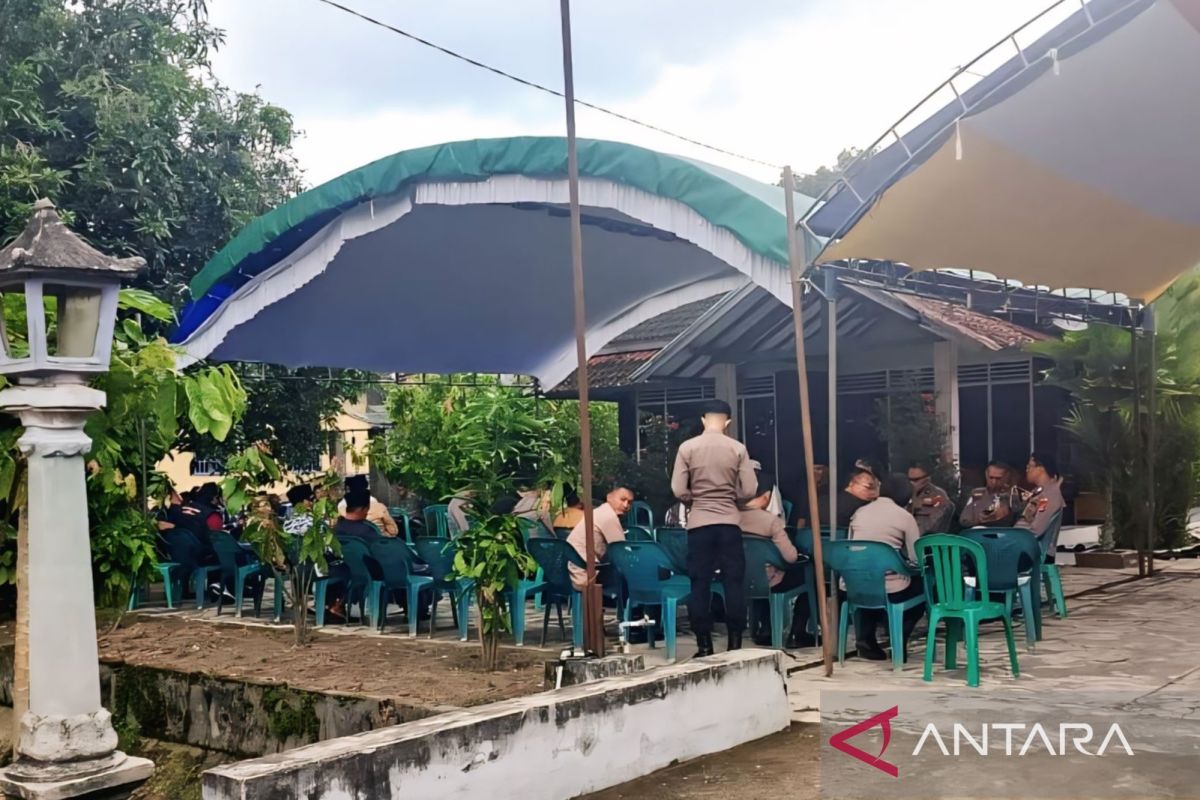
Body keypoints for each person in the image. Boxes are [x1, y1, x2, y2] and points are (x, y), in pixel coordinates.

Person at [671, 399, 758, 656]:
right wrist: (734, 498)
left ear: (702, 419)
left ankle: (704, 645)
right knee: (733, 582)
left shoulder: (687, 448)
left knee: (700, 583)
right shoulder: (738, 448)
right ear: (727, 421)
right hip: (729, 523)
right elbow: (750, 489)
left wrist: (694, 498)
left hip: (699, 524)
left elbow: (677, 489)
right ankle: (734, 644)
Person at [847, 473, 925, 661]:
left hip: (856, 584)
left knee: (871, 580)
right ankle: (899, 641)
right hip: (890, 588)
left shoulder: (859, 513)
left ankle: (866, 638)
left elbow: (851, 546)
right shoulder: (904, 517)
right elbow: (916, 559)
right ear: (906, 497)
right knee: (921, 592)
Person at [739, 472, 815, 649]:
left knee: (758, 572)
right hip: (770, 581)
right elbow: (790, 557)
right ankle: (798, 632)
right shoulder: (771, 521)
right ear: (766, 496)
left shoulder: (731, 517)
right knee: (808, 576)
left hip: (739, 578)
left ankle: (764, 628)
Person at [566, 486, 633, 591]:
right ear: (609, 497)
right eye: (622, 500)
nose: (626, 505)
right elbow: (622, 551)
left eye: (630, 502)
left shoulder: (599, 511)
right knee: (632, 574)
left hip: (571, 570)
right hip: (584, 574)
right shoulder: (608, 516)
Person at [1017, 452, 1065, 543]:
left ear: (1040, 469)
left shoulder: (1048, 496)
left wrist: (1011, 538)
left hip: (1031, 549)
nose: (1027, 470)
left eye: (1029, 466)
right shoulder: (1039, 492)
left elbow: (1037, 529)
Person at [959, 461, 1019, 528]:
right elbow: (964, 520)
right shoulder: (977, 493)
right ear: (986, 475)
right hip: (976, 532)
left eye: (998, 478)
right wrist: (979, 519)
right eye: (991, 478)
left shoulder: (1012, 496)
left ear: (1006, 477)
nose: (994, 482)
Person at [906, 461, 953, 535]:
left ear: (926, 479)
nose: (911, 483)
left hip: (927, 541)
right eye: (909, 479)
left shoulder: (938, 495)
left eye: (915, 480)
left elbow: (932, 527)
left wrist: (915, 501)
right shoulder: (904, 493)